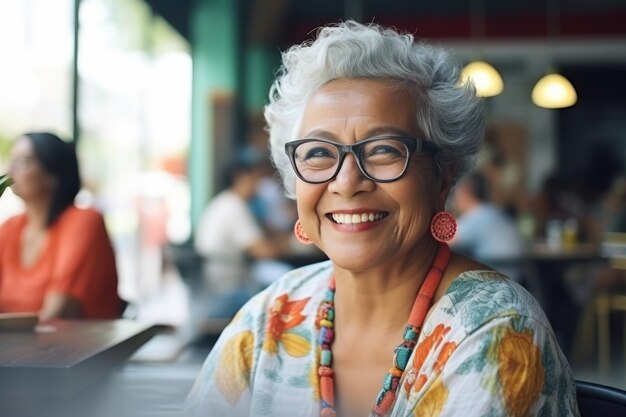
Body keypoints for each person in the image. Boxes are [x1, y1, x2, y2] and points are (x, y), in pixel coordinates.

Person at [184, 21, 579, 417]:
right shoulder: (269, 318)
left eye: (384, 150)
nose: (347, 182)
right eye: (320, 153)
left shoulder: (495, 331)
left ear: (441, 176)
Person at [0, 132, 121, 320]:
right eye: (11, 160)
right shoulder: (10, 228)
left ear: (54, 174)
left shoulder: (83, 221)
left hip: (81, 347)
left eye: (23, 162)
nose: (9, 171)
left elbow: (59, 312)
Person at [194, 151, 292, 319]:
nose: (260, 183)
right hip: (229, 292)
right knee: (289, 283)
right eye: (256, 176)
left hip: (212, 290)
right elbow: (264, 251)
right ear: (241, 176)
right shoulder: (234, 207)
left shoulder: (224, 202)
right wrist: (289, 244)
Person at [450, 171, 526, 282]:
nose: (454, 199)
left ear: (465, 191)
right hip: (517, 275)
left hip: (498, 277)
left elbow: (445, 239)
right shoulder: (493, 211)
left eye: (455, 193)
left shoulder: (477, 215)